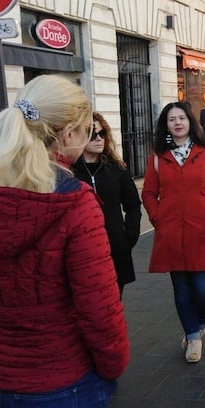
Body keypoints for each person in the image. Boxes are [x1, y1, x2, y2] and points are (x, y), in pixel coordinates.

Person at [0, 75, 129, 408]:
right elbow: (99, 309)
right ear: (67, 134)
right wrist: (112, 367)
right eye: (86, 132)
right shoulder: (76, 203)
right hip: (65, 387)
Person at [142, 101, 205, 363]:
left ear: (190, 122)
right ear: (165, 125)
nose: (177, 123)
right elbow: (148, 193)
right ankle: (192, 338)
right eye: (171, 119)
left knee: (203, 289)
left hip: (201, 231)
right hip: (171, 233)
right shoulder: (157, 156)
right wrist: (158, 219)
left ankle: (200, 322)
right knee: (181, 289)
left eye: (181, 118)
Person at [72, 112, 142, 298]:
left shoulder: (116, 169)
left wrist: (130, 235)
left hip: (115, 247)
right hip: (82, 249)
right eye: (92, 134)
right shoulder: (69, 171)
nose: (98, 139)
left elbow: (133, 204)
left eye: (102, 134)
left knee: (113, 299)